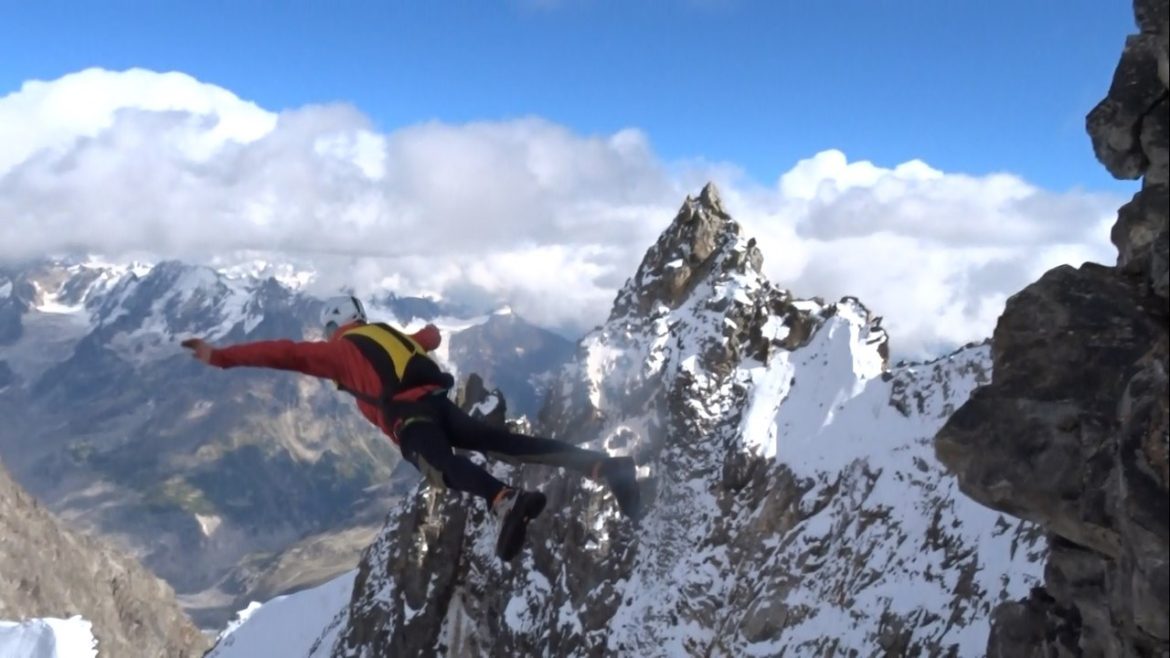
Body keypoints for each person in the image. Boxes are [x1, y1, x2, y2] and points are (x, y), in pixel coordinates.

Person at [181, 295, 640, 561]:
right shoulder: (387, 333)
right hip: (440, 404)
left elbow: (285, 354)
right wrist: (433, 334)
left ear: (334, 325)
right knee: (509, 444)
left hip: (411, 419)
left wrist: (221, 357)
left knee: (439, 467)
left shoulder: (338, 351)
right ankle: (604, 467)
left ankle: (505, 500)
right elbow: (429, 338)